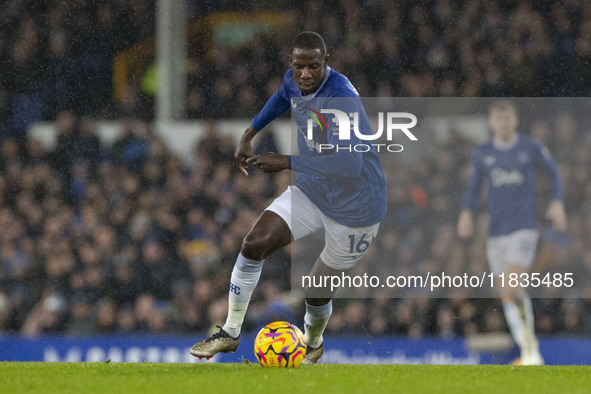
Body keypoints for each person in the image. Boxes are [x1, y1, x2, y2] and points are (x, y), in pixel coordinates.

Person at [190, 31, 386, 364]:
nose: (305, 74)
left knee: (316, 289)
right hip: (315, 187)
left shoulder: (341, 100)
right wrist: (249, 134)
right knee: (253, 244)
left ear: (327, 63)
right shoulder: (294, 81)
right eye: (299, 66)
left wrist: (287, 162)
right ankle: (231, 331)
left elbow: (350, 165)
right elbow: (282, 97)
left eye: (313, 66)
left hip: (357, 207)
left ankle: (313, 342)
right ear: (291, 64)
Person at [457, 100, 567, 365]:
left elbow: (554, 174)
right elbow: (474, 186)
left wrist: (557, 202)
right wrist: (467, 212)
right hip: (496, 232)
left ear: (515, 120)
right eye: (498, 118)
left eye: (508, 118)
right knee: (507, 292)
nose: (503, 123)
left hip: (524, 228)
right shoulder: (483, 153)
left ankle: (530, 353)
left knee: (510, 286)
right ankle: (530, 348)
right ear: (491, 122)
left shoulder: (531, 147)